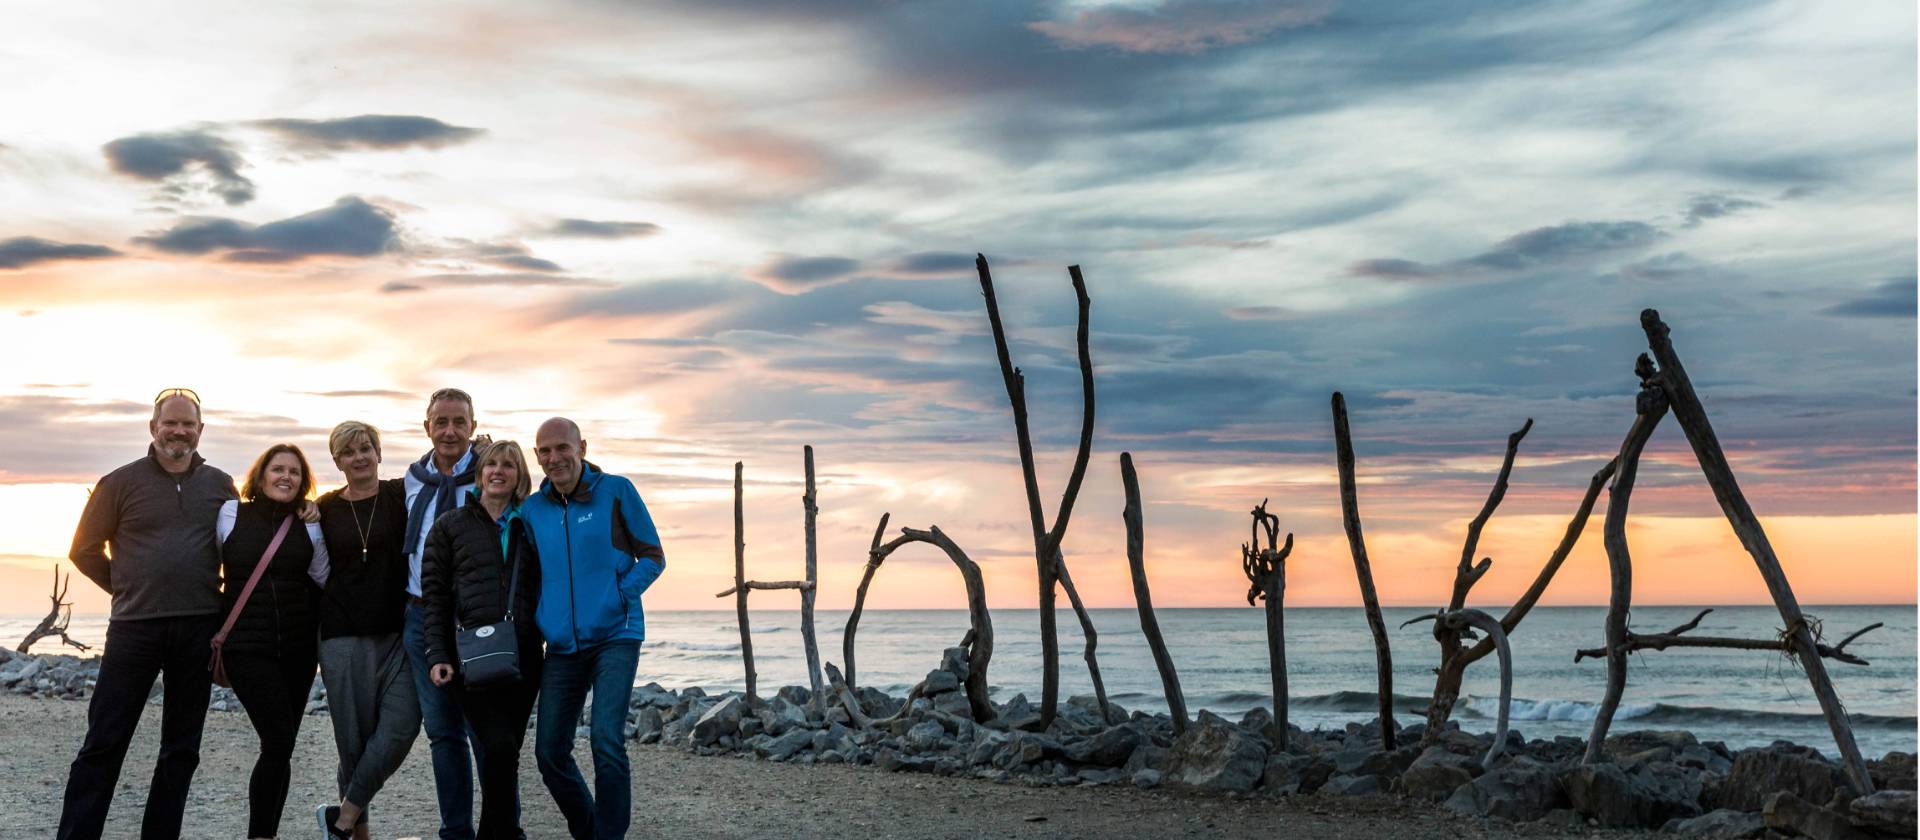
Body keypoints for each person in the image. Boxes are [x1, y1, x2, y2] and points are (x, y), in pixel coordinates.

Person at [59, 389, 237, 840]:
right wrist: (126, 585)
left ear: (201, 430)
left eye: (188, 424)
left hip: (199, 627)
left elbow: (240, 545)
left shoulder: (220, 484)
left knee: (181, 750)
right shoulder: (118, 483)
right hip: (134, 629)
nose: (179, 431)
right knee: (104, 742)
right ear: (153, 427)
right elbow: (83, 550)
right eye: (170, 423)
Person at [525, 417, 666, 840]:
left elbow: (653, 556)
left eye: (562, 448)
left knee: (606, 740)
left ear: (581, 447)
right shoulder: (533, 510)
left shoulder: (617, 491)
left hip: (615, 637)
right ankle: (591, 831)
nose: (555, 458)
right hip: (562, 646)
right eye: (545, 451)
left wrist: (619, 596)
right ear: (536, 457)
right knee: (549, 752)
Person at [421, 441, 544, 840]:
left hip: (524, 655)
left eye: (509, 465)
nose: (498, 471)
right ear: (480, 473)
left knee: (503, 755)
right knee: (499, 747)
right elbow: (435, 596)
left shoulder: (531, 526)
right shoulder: (450, 526)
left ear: (519, 476)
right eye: (491, 464)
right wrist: (438, 654)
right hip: (468, 656)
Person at [215, 444, 330, 840]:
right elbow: (208, 569)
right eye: (278, 469)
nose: (286, 477)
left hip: (297, 653)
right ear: (261, 475)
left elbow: (323, 576)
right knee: (278, 739)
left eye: (295, 472)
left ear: (303, 481)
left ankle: (266, 834)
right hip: (247, 648)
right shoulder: (231, 514)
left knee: (280, 748)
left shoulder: (309, 523)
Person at [313, 422, 420, 840]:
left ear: (379, 452)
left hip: (398, 635)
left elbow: (445, 474)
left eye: (365, 448)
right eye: (348, 452)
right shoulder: (322, 508)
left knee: (402, 727)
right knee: (353, 743)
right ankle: (359, 835)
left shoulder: (400, 495)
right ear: (337, 460)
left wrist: (480, 454)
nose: (359, 457)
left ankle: (341, 818)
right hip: (341, 637)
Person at [401, 387, 486, 840]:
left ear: (473, 427)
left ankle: (500, 828)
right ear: (427, 427)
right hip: (420, 618)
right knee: (442, 733)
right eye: (441, 422)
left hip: (476, 622)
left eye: (459, 422)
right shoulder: (414, 480)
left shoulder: (492, 472)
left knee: (485, 734)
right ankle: (456, 831)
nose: (450, 431)